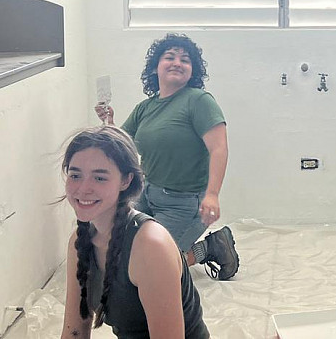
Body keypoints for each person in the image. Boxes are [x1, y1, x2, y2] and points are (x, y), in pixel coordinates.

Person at [96, 33, 239, 280]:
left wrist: (212, 195)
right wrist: (109, 121)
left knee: (152, 266)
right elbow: (122, 144)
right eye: (169, 57)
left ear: (192, 71)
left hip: (184, 203)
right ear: (155, 67)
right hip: (146, 193)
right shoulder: (146, 107)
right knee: (122, 253)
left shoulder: (199, 101)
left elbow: (219, 148)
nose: (177, 63)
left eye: (185, 60)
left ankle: (209, 248)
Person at [60, 126, 210, 339]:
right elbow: (74, 331)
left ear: (126, 180)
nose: (83, 188)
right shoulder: (80, 240)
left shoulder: (150, 246)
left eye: (99, 178)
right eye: (75, 175)